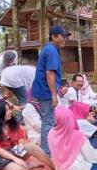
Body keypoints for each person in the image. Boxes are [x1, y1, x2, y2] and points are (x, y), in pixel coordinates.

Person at [0, 100, 54, 170]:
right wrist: (16, 159)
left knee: (32, 147)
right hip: (0, 157)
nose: (10, 112)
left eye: (10, 109)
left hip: (14, 150)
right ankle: (27, 165)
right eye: (7, 110)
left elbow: (20, 136)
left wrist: (20, 146)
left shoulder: (11, 122)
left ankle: (54, 167)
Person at [30, 25, 70, 155]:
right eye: (62, 36)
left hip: (43, 90)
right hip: (46, 91)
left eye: (66, 36)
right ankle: (47, 153)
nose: (65, 39)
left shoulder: (50, 49)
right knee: (48, 122)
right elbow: (50, 73)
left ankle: (48, 148)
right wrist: (54, 94)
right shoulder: (51, 50)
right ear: (54, 37)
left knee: (48, 120)